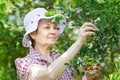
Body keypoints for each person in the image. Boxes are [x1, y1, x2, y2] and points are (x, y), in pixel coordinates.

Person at [15, 8, 98, 80]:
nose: (54, 31)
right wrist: (79, 42)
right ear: (32, 34)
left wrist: (87, 77)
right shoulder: (25, 63)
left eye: (55, 27)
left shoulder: (60, 58)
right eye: (47, 27)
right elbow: (49, 75)